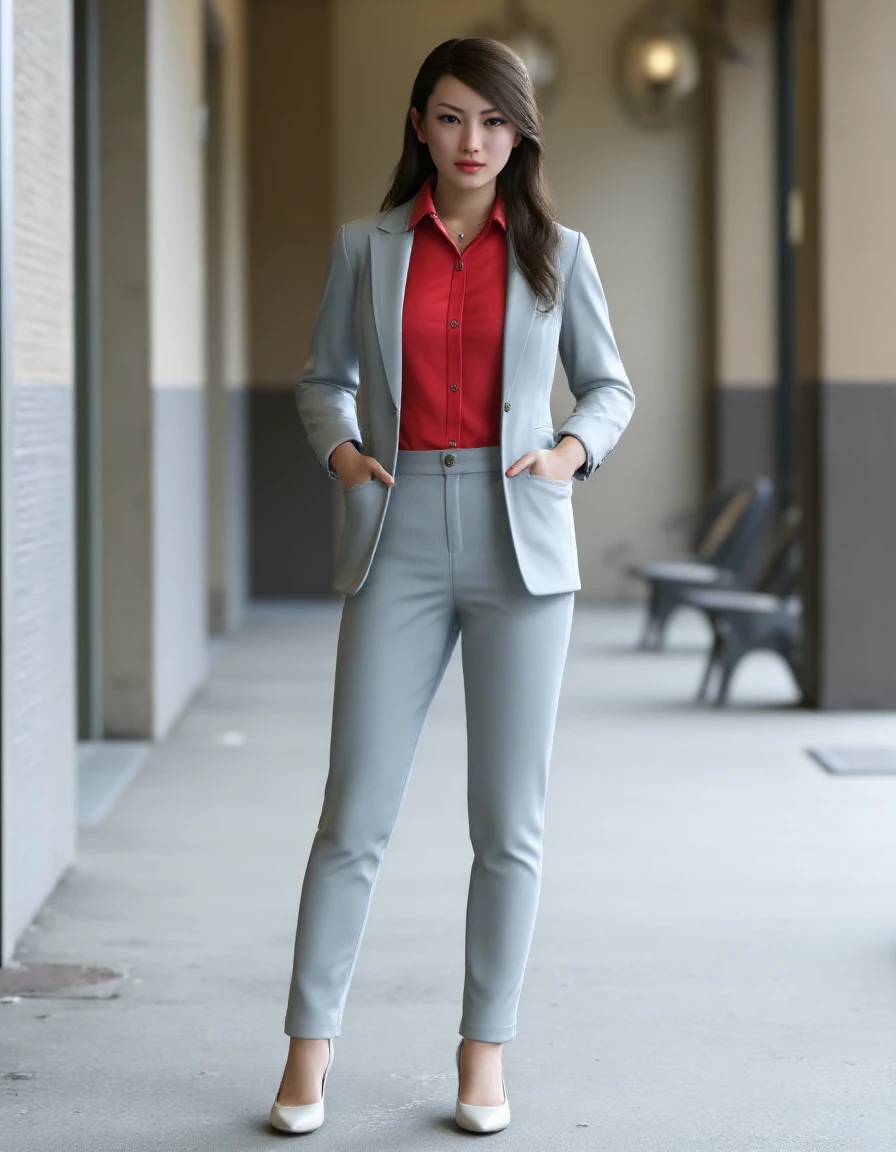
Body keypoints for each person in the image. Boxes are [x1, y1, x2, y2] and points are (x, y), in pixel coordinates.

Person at [269, 36, 634, 1136]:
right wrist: (341, 453)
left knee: (506, 824)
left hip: (521, 532)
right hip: (397, 532)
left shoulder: (559, 254)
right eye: (447, 117)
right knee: (353, 815)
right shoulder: (365, 248)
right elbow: (320, 380)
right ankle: (305, 1054)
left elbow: (609, 387)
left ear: (520, 132)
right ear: (418, 126)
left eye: (490, 120)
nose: (469, 141)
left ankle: (482, 1057)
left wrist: (569, 453)